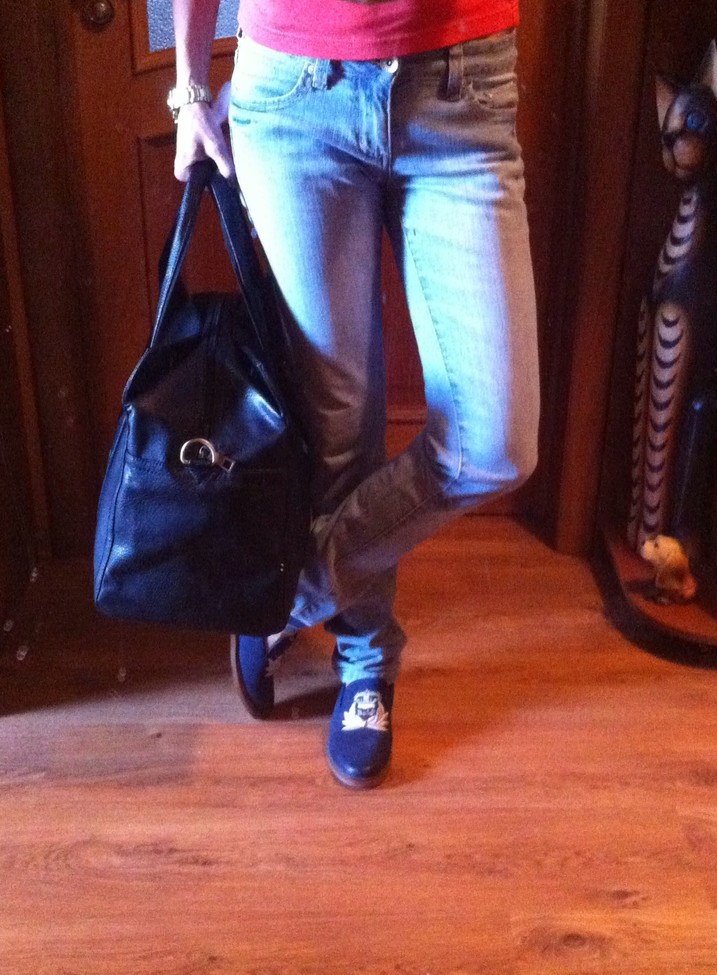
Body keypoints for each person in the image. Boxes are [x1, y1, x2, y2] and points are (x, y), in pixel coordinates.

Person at [171, 0, 540, 789]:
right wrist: (190, 86)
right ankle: (366, 662)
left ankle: (290, 594)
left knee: (494, 443)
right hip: (294, 95)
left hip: (461, 85)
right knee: (338, 432)